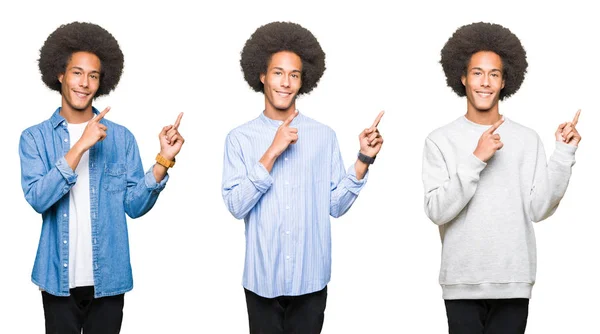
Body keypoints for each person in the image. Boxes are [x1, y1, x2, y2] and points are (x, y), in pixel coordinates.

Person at [19, 21, 184, 333]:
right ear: (60, 75)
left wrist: (163, 160)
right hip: (57, 280)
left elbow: (134, 206)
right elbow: (38, 198)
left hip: (109, 281)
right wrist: (80, 145)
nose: (84, 83)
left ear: (101, 82)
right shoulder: (34, 138)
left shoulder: (120, 138)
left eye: (93, 75)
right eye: (77, 73)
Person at [222, 21, 384, 333]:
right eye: (278, 73)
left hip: (311, 281)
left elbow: (335, 206)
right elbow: (235, 205)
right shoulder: (239, 138)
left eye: (294, 75)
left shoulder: (323, 136)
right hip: (262, 282)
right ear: (262, 76)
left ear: (302, 81)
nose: (285, 82)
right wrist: (271, 152)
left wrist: (363, 159)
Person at [422, 22, 581, 333]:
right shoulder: (439, 140)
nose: (485, 82)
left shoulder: (527, 138)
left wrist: (563, 154)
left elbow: (539, 210)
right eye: (478, 73)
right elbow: (436, 211)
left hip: (514, 281)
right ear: (463, 77)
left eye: (493, 74)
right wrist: (476, 158)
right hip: (461, 282)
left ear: (505, 80)